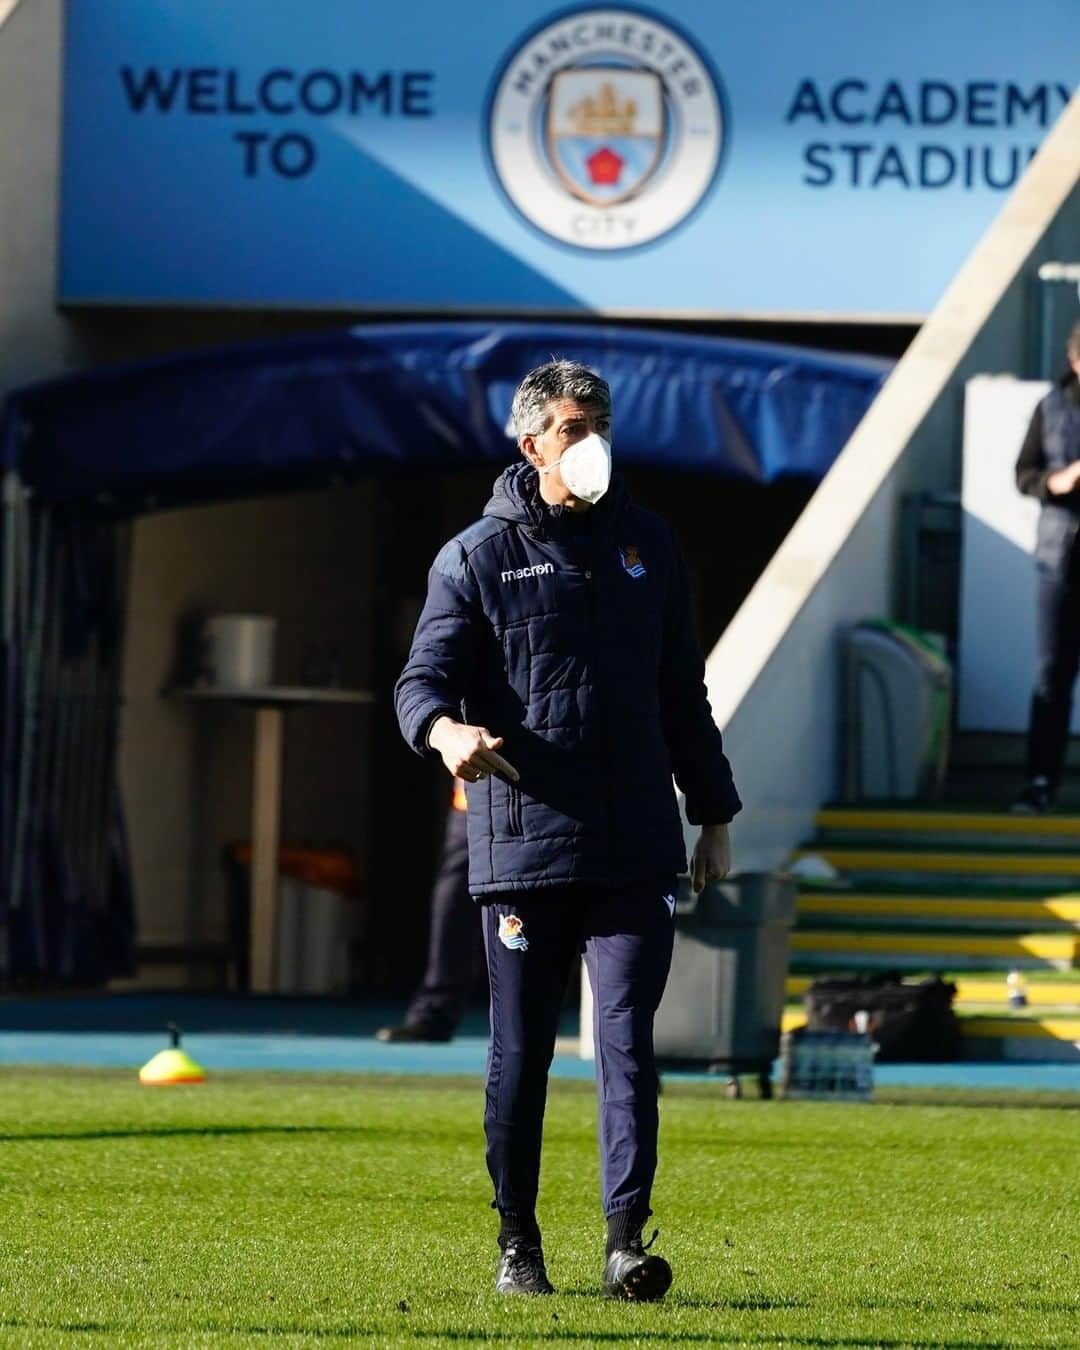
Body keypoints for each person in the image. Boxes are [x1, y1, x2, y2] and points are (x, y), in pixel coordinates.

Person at [394, 360, 741, 1300]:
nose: (590, 440)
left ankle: (626, 1241)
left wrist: (713, 812)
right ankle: (519, 1244)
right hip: (523, 845)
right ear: (531, 443)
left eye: (601, 423)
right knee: (522, 1053)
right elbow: (418, 681)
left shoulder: (651, 546)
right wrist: (445, 731)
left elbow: (682, 692)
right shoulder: (476, 556)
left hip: (632, 840)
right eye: (572, 425)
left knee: (626, 1039)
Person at [1013, 321, 1080, 814]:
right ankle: (1039, 781)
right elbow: (1024, 475)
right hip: (1060, 559)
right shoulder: (1051, 407)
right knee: (1052, 674)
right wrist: (1057, 482)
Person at [376, 779, 480, 1042]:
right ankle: (434, 1012)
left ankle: (539, 1013)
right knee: (453, 899)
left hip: (549, 797)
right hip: (475, 798)